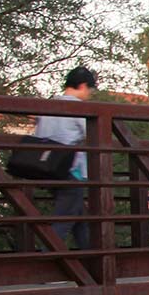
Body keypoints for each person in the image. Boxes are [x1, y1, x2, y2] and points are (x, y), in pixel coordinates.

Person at [32, 66, 97, 250]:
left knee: (79, 218)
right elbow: (94, 134)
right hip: (71, 171)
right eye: (90, 90)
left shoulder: (47, 107)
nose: (90, 95)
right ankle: (47, 264)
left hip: (49, 168)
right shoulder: (77, 107)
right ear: (83, 86)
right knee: (65, 219)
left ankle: (91, 262)